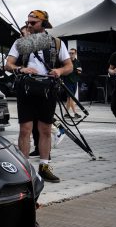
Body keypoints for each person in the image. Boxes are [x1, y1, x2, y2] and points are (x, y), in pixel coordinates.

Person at [5, 10, 72, 183]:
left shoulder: (56, 43)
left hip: (47, 89)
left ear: (43, 23)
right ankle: (24, 169)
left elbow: (69, 66)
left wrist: (59, 70)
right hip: (26, 88)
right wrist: (21, 69)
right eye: (27, 22)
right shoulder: (21, 42)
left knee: (45, 130)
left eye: (33, 23)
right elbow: (8, 64)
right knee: (25, 129)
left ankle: (45, 167)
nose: (29, 25)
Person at [64, 47, 82, 117]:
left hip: (74, 81)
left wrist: (79, 71)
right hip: (67, 81)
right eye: (70, 53)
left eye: (72, 53)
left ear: (75, 54)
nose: (71, 54)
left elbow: (80, 71)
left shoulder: (78, 62)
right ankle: (75, 113)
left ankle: (66, 113)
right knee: (71, 97)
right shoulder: (67, 62)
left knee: (69, 98)